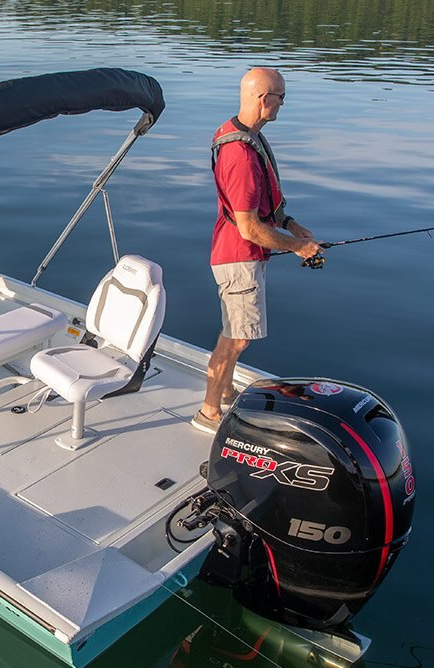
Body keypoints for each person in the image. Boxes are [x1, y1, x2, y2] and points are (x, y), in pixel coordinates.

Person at [192, 67, 324, 435]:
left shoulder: (245, 136)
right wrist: (299, 247)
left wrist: (290, 225)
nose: (283, 104)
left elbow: (263, 206)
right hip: (238, 257)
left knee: (236, 332)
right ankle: (209, 412)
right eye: (281, 97)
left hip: (239, 252)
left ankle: (226, 391)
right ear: (264, 99)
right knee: (237, 336)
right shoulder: (241, 155)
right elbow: (249, 227)